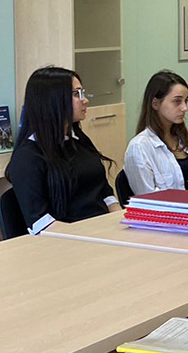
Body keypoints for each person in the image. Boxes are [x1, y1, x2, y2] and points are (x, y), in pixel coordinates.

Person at [4, 66, 118, 234]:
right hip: (67, 240)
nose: (85, 100)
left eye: (82, 93)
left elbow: (105, 193)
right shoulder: (27, 157)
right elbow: (40, 224)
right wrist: (93, 234)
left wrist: (120, 221)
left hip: (100, 232)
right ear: (53, 100)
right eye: (76, 94)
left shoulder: (79, 141)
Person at [123, 70, 188, 194]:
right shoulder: (139, 147)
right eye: (177, 101)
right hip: (171, 206)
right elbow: (148, 198)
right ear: (155, 104)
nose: (185, 108)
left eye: (186, 101)